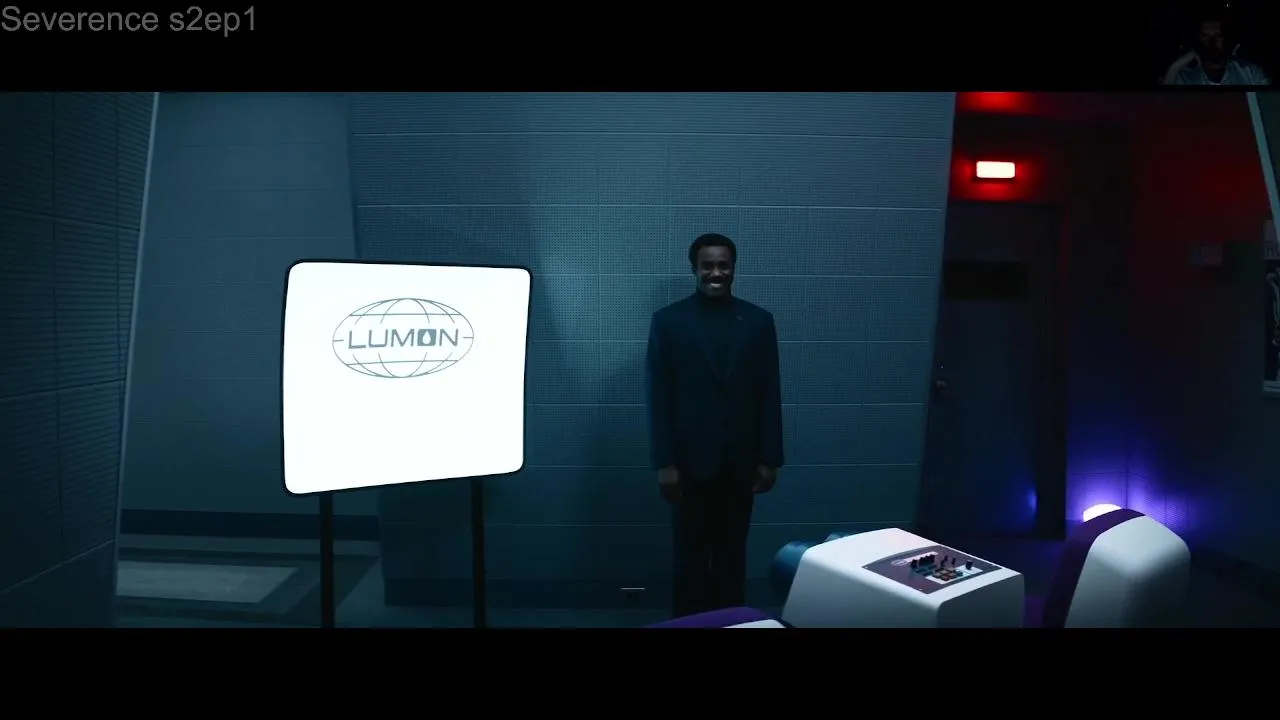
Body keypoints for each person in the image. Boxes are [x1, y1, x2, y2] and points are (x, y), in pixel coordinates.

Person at [645, 232, 785, 618]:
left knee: (731, 556)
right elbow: (659, 397)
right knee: (688, 557)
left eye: (723, 265)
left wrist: (769, 458)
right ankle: (688, 624)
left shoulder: (758, 322)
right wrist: (664, 463)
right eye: (707, 266)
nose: (716, 273)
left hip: (740, 464)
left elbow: (769, 391)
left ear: (734, 269)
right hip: (688, 465)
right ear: (695, 269)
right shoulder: (668, 322)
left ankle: (729, 623)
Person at [1162, 15, 1270, 85]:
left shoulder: (1250, 72)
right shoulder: (1184, 76)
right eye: (1205, 36)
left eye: (1217, 36)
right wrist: (1174, 67)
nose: (1212, 41)